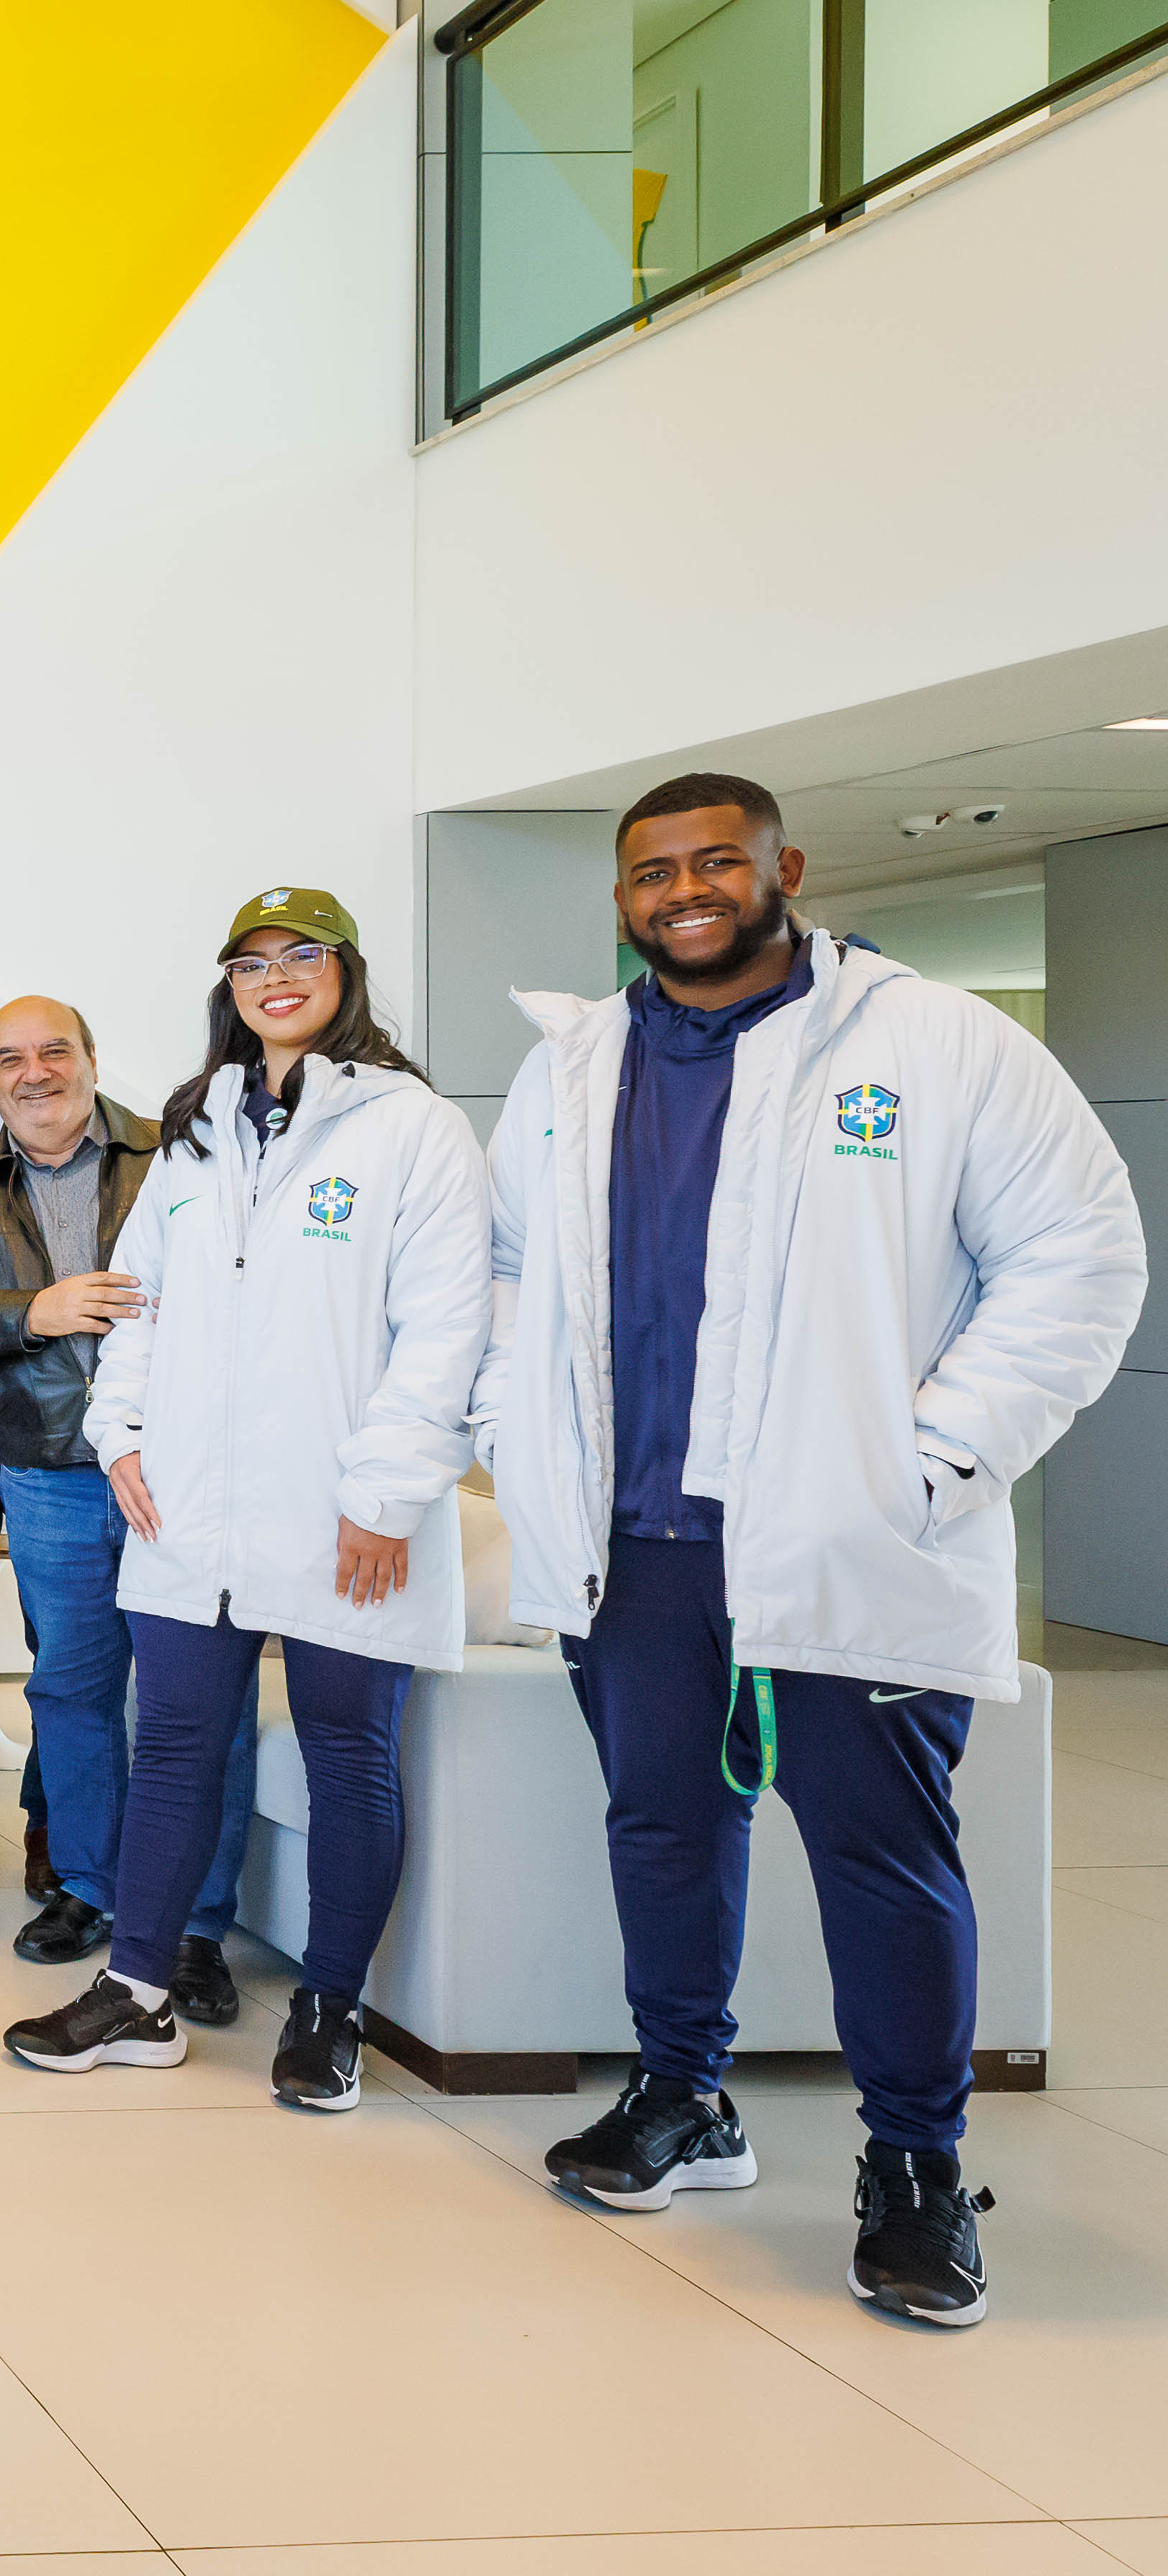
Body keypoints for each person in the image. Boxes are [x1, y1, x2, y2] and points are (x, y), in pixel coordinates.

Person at [477, 777, 1141, 2325]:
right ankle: (682, 2093)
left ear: (784, 866)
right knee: (660, 1825)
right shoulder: (571, 1065)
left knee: (881, 1853)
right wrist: (509, 1424)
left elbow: (1078, 1254)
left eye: (715, 860)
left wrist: (929, 1458)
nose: (684, 890)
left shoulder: (931, 1043)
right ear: (622, 899)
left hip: (846, 1537)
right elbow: (504, 1268)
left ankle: (914, 2166)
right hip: (634, 1537)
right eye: (652, 871)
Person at [1, 893, 487, 2106]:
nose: (277, 977)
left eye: (301, 955)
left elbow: (445, 1329)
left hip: (344, 1510)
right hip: (189, 1507)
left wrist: (387, 1492)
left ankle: (329, 2007)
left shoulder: (412, 1128)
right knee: (169, 1744)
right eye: (251, 961)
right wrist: (119, 1430)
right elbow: (137, 1300)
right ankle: (138, 1989)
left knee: (347, 1753)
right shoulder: (196, 1128)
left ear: (345, 971)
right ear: (228, 984)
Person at [0, 998, 251, 2011]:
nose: (34, 1072)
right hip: (45, 1469)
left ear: (91, 1059)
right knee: (70, 1690)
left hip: (177, 1470)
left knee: (199, 1701)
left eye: (54, 1050)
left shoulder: (176, 1151)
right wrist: (32, 1312)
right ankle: (90, 1889)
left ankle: (196, 1928)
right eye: (9, 1058)